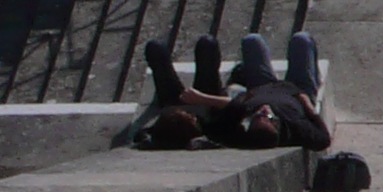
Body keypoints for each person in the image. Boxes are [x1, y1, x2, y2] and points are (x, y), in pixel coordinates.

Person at [137, 30, 332, 152]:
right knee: (300, 40)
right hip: (296, 90)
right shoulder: (296, 128)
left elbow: (227, 119)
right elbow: (323, 140)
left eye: (258, 117)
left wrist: (199, 101)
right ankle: (313, 76)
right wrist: (307, 105)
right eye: (269, 118)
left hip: (254, 89)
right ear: (277, 125)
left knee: (213, 43)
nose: (264, 111)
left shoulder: (237, 125)